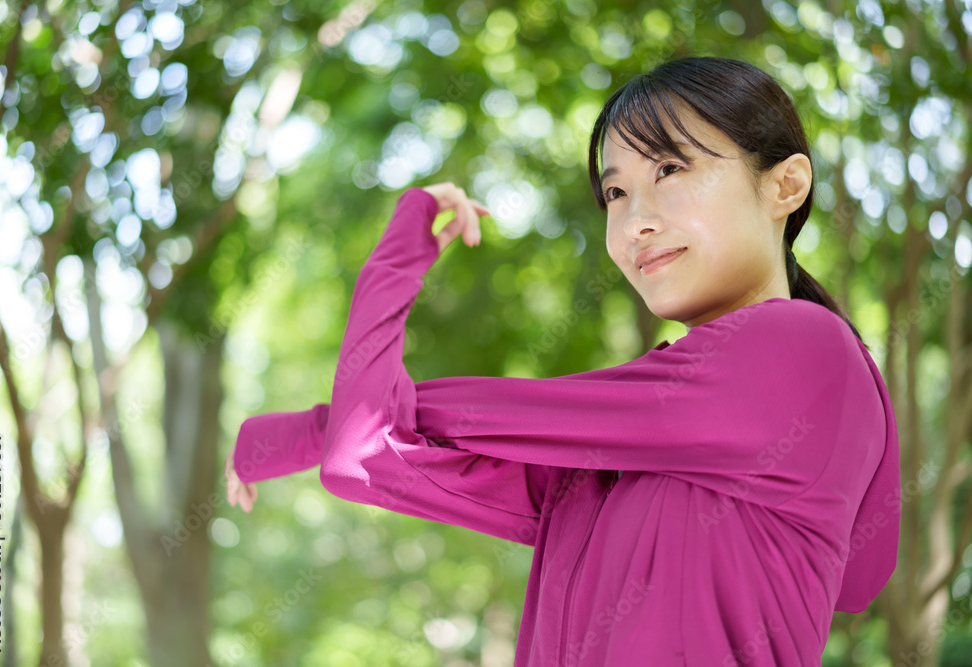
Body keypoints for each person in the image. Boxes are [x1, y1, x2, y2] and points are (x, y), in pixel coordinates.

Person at [226, 56, 900, 666]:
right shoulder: (596, 471)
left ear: (785, 186)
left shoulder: (807, 348)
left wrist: (287, 439)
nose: (635, 219)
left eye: (670, 169)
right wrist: (403, 246)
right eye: (615, 193)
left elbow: (416, 426)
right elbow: (368, 448)